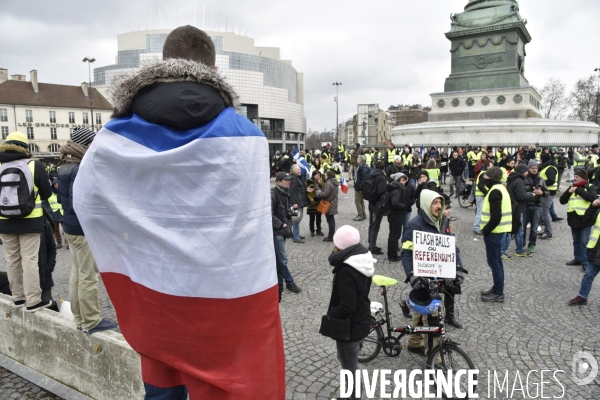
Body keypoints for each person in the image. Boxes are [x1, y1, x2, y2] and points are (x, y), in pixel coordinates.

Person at [73, 26, 285, 399]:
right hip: (222, 302)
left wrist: (128, 245)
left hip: (157, 296)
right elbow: (251, 222)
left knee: (161, 388)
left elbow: (86, 200)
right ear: (214, 71)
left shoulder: (116, 134)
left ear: (163, 64)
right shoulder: (248, 136)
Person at [58, 127, 119, 334]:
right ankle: (91, 320)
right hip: (82, 229)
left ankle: (79, 318)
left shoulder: (65, 166)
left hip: (69, 226)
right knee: (88, 276)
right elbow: (80, 202)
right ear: (86, 144)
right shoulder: (80, 167)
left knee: (77, 273)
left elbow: (65, 200)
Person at [401, 189, 465, 355]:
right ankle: (434, 358)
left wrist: (457, 268)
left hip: (440, 275)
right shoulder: (414, 225)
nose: (439, 206)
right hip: (423, 277)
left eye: (440, 203)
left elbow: (452, 247)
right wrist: (412, 275)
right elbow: (406, 252)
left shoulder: (443, 221)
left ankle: (414, 344)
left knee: (422, 312)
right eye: (435, 203)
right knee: (432, 317)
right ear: (425, 204)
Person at [0, 132, 53, 312]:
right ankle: (33, 301)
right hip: (30, 221)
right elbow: (46, 194)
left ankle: (17, 298)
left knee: (12, 260)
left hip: (4, 222)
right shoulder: (33, 165)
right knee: (29, 260)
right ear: (25, 147)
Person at [326, 225, 375, 400]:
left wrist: (331, 315)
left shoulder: (346, 270)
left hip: (350, 327)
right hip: (360, 320)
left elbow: (347, 306)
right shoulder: (363, 259)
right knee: (347, 360)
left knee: (349, 366)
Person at [479, 167, 512, 302]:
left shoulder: (494, 191)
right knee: (497, 261)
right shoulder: (501, 188)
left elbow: (496, 216)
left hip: (494, 232)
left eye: (486, 177)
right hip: (499, 231)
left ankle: (499, 293)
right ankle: (497, 288)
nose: (484, 179)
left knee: (494, 262)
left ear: (491, 178)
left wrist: (486, 230)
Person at [560, 169, 597, 272]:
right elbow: (562, 201)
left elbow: (592, 198)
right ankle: (578, 258)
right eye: (574, 176)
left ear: (583, 178)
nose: (574, 178)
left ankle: (585, 262)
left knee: (585, 241)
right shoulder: (571, 187)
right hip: (573, 218)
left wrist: (578, 190)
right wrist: (568, 192)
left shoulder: (589, 187)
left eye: (577, 176)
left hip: (586, 218)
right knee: (576, 241)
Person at [272, 172, 302, 297]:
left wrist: (290, 213)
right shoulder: (274, 194)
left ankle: (276, 281)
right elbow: (269, 213)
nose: (289, 182)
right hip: (278, 231)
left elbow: (282, 210)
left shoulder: (284, 192)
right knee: (282, 259)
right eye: (287, 180)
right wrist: (280, 224)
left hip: (283, 231)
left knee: (278, 258)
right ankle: (289, 282)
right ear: (279, 181)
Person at [567, 198, 600, 306]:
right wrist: (593, 206)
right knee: (588, 275)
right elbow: (588, 219)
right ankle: (582, 297)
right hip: (596, 250)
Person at [507, 163, 540, 257]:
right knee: (518, 230)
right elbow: (522, 196)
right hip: (519, 207)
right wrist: (531, 195)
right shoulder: (519, 181)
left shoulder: (511, 179)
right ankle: (517, 250)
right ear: (522, 171)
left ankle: (519, 249)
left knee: (517, 229)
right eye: (526, 171)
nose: (527, 173)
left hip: (513, 206)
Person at [441, 202, 464, 328]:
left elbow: (453, 247)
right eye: (446, 208)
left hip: (447, 262)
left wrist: (459, 267)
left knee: (451, 287)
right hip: (435, 264)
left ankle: (449, 317)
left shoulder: (448, 223)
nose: (449, 211)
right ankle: (406, 303)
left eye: (450, 208)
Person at [522, 160, 548, 254]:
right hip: (525, 205)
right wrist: (529, 193)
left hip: (537, 205)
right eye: (532, 168)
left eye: (536, 168)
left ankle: (532, 244)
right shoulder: (524, 179)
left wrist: (542, 193)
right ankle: (522, 244)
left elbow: (547, 193)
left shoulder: (541, 179)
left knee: (534, 228)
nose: (534, 170)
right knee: (523, 227)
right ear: (529, 169)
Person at [366, 161, 388, 254]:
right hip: (378, 203)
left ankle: (371, 243)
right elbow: (381, 191)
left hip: (371, 202)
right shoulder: (381, 177)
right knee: (375, 225)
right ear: (383, 168)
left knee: (372, 224)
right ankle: (372, 247)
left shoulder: (370, 174)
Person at [387, 173, 407, 262]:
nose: (404, 182)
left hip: (393, 215)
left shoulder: (394, 188)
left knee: (392, 235)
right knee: (395, 236)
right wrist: (403, 206)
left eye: (405, 180)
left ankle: (391, 254)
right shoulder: (396, 190)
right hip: (396, 215)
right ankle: (394, 256)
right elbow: (395, 203)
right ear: (398, 180)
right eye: (402, 180)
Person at [289, 164, 312, 244]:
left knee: (297, 219)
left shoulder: (297, 178)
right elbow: (292, 192)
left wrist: (306, 190)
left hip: (299, 202)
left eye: (299, 169)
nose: (300, 170)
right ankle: (296, 237)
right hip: (297, 202)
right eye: (298, 169)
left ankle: (296, 234)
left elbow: (299, 189)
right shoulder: (294, 179)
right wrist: (294, 202)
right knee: (296, 220)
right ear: (293, 171)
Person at [539, 152, 558, 240]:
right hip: (547, 191)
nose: (539, 160)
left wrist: (540, 183)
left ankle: (548, 232)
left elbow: (551, 180)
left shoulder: (550, 168)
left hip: (549, 192)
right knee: (544, 211)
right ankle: (547, 230)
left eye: (540, 158)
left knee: (545, 212)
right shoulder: (547, 167)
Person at [317, 170, 339, 242]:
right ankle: (332, 235)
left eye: (326, 175)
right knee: (332, 220)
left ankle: (330, 236)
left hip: (328, 204)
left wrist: (319, 192)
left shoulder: (328, 183)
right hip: (333, 203)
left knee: (330, 220)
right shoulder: (335, 183)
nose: (325, 176)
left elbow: (325, 194)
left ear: (329, 176)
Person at [44, 178, 66, 249]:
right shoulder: (50, 193)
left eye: (57, 184)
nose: (56, 185)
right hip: (54, 213)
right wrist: (49, 210)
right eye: (55, 184)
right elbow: (45, 202)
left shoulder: (63, 191)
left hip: (62, 212)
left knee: (65, 229)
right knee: (55, 229)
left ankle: (67, 242)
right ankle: (59, 242)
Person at [306, 170, 325, 237]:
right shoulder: (309, 181)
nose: (318, 177)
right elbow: (306, 191)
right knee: (312, 218)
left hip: (319, 203)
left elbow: (324, 189)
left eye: (319, 176)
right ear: (313, 176)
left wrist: (320, 183)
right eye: (316, 176)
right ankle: (312, 230)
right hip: (312, 203)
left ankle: (318, 230)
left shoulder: (320, 182)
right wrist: (310, 198)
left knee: (319, 218)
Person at [353, 155, 369, 221]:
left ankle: (360, 215)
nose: (357, 160)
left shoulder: (363, 168)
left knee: (357, 200)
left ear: (360, 160)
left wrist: (361, 188)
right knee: (361, 201)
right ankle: (363, 214)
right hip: (359, 185)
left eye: (357, 159)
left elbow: (364, 179)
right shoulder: (362, 166)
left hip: (360, 187)